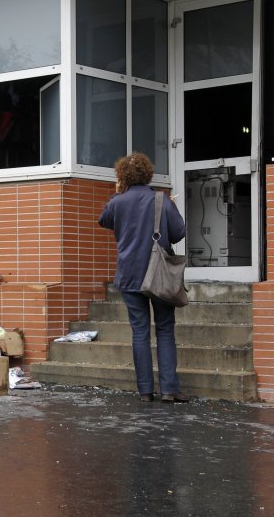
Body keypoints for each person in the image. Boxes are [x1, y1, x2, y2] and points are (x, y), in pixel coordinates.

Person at [98, 152, 190, 403]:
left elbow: (103, 220)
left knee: (139, 332)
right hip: (159, 274)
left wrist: (117, 192)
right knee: (164, 330)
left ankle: (145, 391)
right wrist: (168, 209)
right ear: (148, 173)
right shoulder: (161, 200)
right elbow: (179, 232)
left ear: (122, 176)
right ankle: (169, 390)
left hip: (130, 275)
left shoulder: (118, 202)